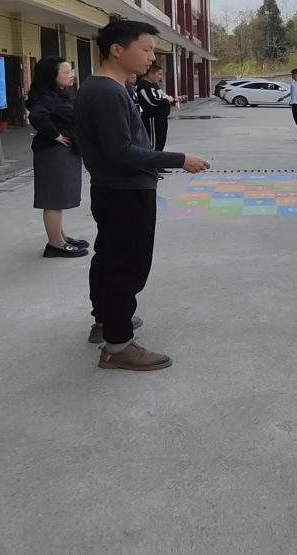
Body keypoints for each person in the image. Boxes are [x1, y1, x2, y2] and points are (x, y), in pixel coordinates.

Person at [74, 20, 210, 372]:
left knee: (108, 258)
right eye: (146, 49)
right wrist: (179, 159)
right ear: (118, 50)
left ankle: (104, 322)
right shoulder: (108, 92)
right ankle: (118, 346)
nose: (152, 56)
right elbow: (122, 151)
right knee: (126, 267)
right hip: (125, 191)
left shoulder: (102, 86)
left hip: (112, 188)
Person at [26, 56, 88, 258]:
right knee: (53, 199)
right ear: (53, 76)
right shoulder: (48, 97)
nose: (71, 75)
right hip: (53, 153)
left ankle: (61, 237)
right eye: (66, 72)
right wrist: (55, 135)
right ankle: (55, 245)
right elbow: (37, 116)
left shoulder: (57, 94)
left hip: (62, 152)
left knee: (60, 197)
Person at [135, 64, 184, 153]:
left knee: (161, 140)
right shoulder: (143, 86)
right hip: (152, 118)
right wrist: (167, 100)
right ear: (150, 74)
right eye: (159, 74)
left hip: (162, 117)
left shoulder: (154, 85)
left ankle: (158, 161)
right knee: (154, 142)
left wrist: (174, 99)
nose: (161, 77)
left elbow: (163, 96)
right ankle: (152, 164)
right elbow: (153, 101)